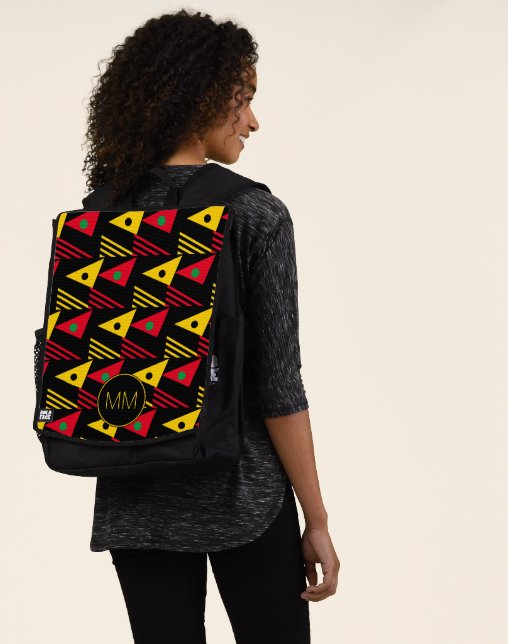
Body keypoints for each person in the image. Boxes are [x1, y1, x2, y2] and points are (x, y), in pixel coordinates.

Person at [81, 9, 340, 643]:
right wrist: (317, 519)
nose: (252, 121)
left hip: (134, 496)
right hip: (243, 494)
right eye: (242, 100)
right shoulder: (254, 213)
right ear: (200, 98)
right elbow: (279, 386)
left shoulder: (100, 213)